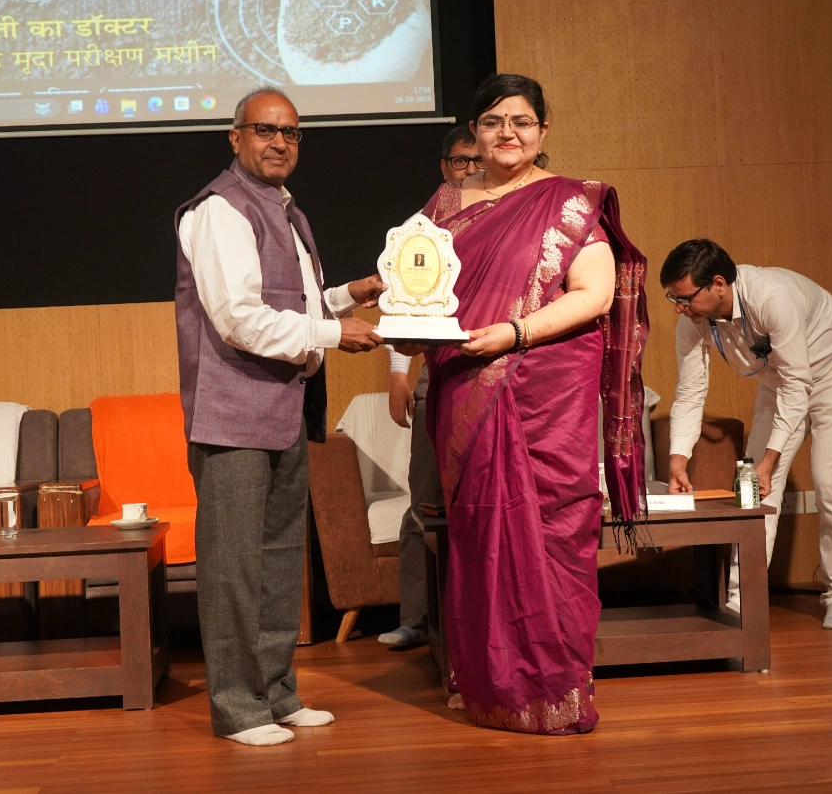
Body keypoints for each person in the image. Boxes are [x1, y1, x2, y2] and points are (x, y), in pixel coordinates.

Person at [397, 74, 649, 734]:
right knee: (480, 531)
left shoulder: (568, 201)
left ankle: (553, 686)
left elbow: (594, 293)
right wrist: (408, 330)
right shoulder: (445, 203)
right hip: (465, 387)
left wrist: (514, 334)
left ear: (543, 130)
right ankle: (491, 683)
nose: (507, 133)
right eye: (492, 121)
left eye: (521, 121)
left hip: (544, 395)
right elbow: (418, 286)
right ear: (474, 132)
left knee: (554, 530)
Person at [174, 86, 385, 746]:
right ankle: (238, 708)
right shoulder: (220, 209)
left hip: (284, 408)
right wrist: (331, 334)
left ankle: (275, 694)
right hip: (233, 413)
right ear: (234, 137)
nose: (279, 142)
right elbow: (239, 317)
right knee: (234, 565)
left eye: (291, 132)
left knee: (278, 560)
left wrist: (345, 297)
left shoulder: (284, 208)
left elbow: (289, 300)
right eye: (265, 130)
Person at [662, 240, 832, 629]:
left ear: (718, 284)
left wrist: (770, 461)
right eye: (673, 298)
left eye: (685, 298)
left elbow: (799, 384)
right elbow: (689, 394)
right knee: (753, 490)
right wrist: (678, 462)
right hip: (780, 380)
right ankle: (743, 598)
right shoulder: (693, 320)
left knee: (831, 481)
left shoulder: (771, 297)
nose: (679, 307)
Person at [377, 124, 483, 649]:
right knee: (424, 499)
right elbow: (406, 303)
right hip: (436, 375)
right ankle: (417, 620)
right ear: (444, 167)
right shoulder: (424, 226)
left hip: (494, 375)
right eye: (461, 161)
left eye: (478, 161)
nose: (470, 170)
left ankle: (481, 622)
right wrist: (400, 372)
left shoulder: (512, 215)